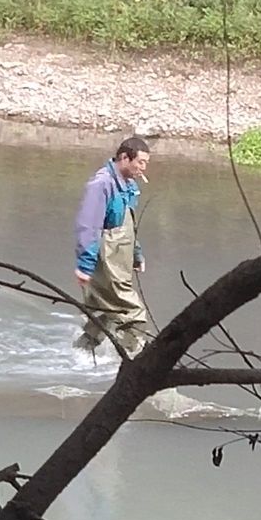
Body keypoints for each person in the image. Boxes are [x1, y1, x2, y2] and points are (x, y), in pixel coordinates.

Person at [74, 136, 151, 356]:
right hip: (106, 261)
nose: (143, 168)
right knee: (133, 313)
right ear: (125, 158)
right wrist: (85, 266)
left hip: (120, 258)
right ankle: (134, 361)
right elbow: (88, 226)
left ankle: (81, 355)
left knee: (103, 311)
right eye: (141, 162)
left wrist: (136, 255)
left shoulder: (128, 184)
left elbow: (129, 223)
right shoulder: (101, 184)